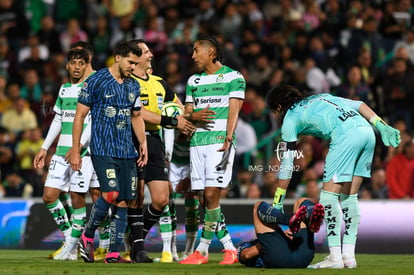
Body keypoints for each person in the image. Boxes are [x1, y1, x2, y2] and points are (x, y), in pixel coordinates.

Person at [266, 84, 401, 269]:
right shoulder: (321, 97)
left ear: (279, 107)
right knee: (349, 196)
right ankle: (348, 256)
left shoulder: (289, 118)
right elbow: (360, 104)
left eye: (274, 111)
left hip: (345, 136)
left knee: (328, 197)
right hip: (367, 132)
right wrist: (382, 125)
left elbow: (287, 164)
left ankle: (335, 257)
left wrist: (278, 201)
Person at [69, 40, 147, 264]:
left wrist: (142, 142)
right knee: (111, 194)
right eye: (131, 62)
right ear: (118, 58)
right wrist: (76, 150)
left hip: (127, 150)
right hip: (103, 149)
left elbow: (136, 116)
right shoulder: (95, 80)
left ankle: (113, 254)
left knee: (124, 201)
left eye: (136, 63)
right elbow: (80, 116)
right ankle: (87, 235)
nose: (133, 67)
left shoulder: (133, 85)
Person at [126, 39, 195, 263]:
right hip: (133, 140)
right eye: (146, 51)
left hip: (155, 141)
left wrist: (188, 117)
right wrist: (172, 121)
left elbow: (179, 107)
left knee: (161, 199)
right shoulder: (128, 83)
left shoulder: (159, 83)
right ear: (135, 57)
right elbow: (139, 113)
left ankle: (135, 238)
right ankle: (138, 249)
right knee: (135, 197)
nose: (151, 55)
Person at [180, 35, 245, 265]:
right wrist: (192, 116)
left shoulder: (233, 77)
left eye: (197, 50)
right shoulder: (193, 81)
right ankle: (229, 247)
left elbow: (234, 110)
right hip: (197, 142)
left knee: (210, 195)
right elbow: (187, 113)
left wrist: (229, 136)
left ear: (212, 53)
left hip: (219, 140)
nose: (193, 55)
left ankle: (203, 251)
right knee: (203, 200)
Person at [33, 48, 97, 261]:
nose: (77, 66)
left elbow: (92, 122)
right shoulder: (64, 90)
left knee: (77, 198)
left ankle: (69, 248)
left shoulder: (90, 89)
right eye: (73, 63)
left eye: (81, 63)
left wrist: (78, 147)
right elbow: (58, 120)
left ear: (86, 65)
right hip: (61, 152)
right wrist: (44, 147)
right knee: (49, 196)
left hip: (82, 154)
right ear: (67, 65)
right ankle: (71, 239)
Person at [238, 198, 324, 268]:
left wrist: (286, 238)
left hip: (302, 256)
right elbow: (246, 255)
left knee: (301, 202)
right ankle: (291, 219)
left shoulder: (274, 239)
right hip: (281, 258)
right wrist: (264, 244)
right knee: (258, 205)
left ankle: (311, 217)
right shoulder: (249, 244)